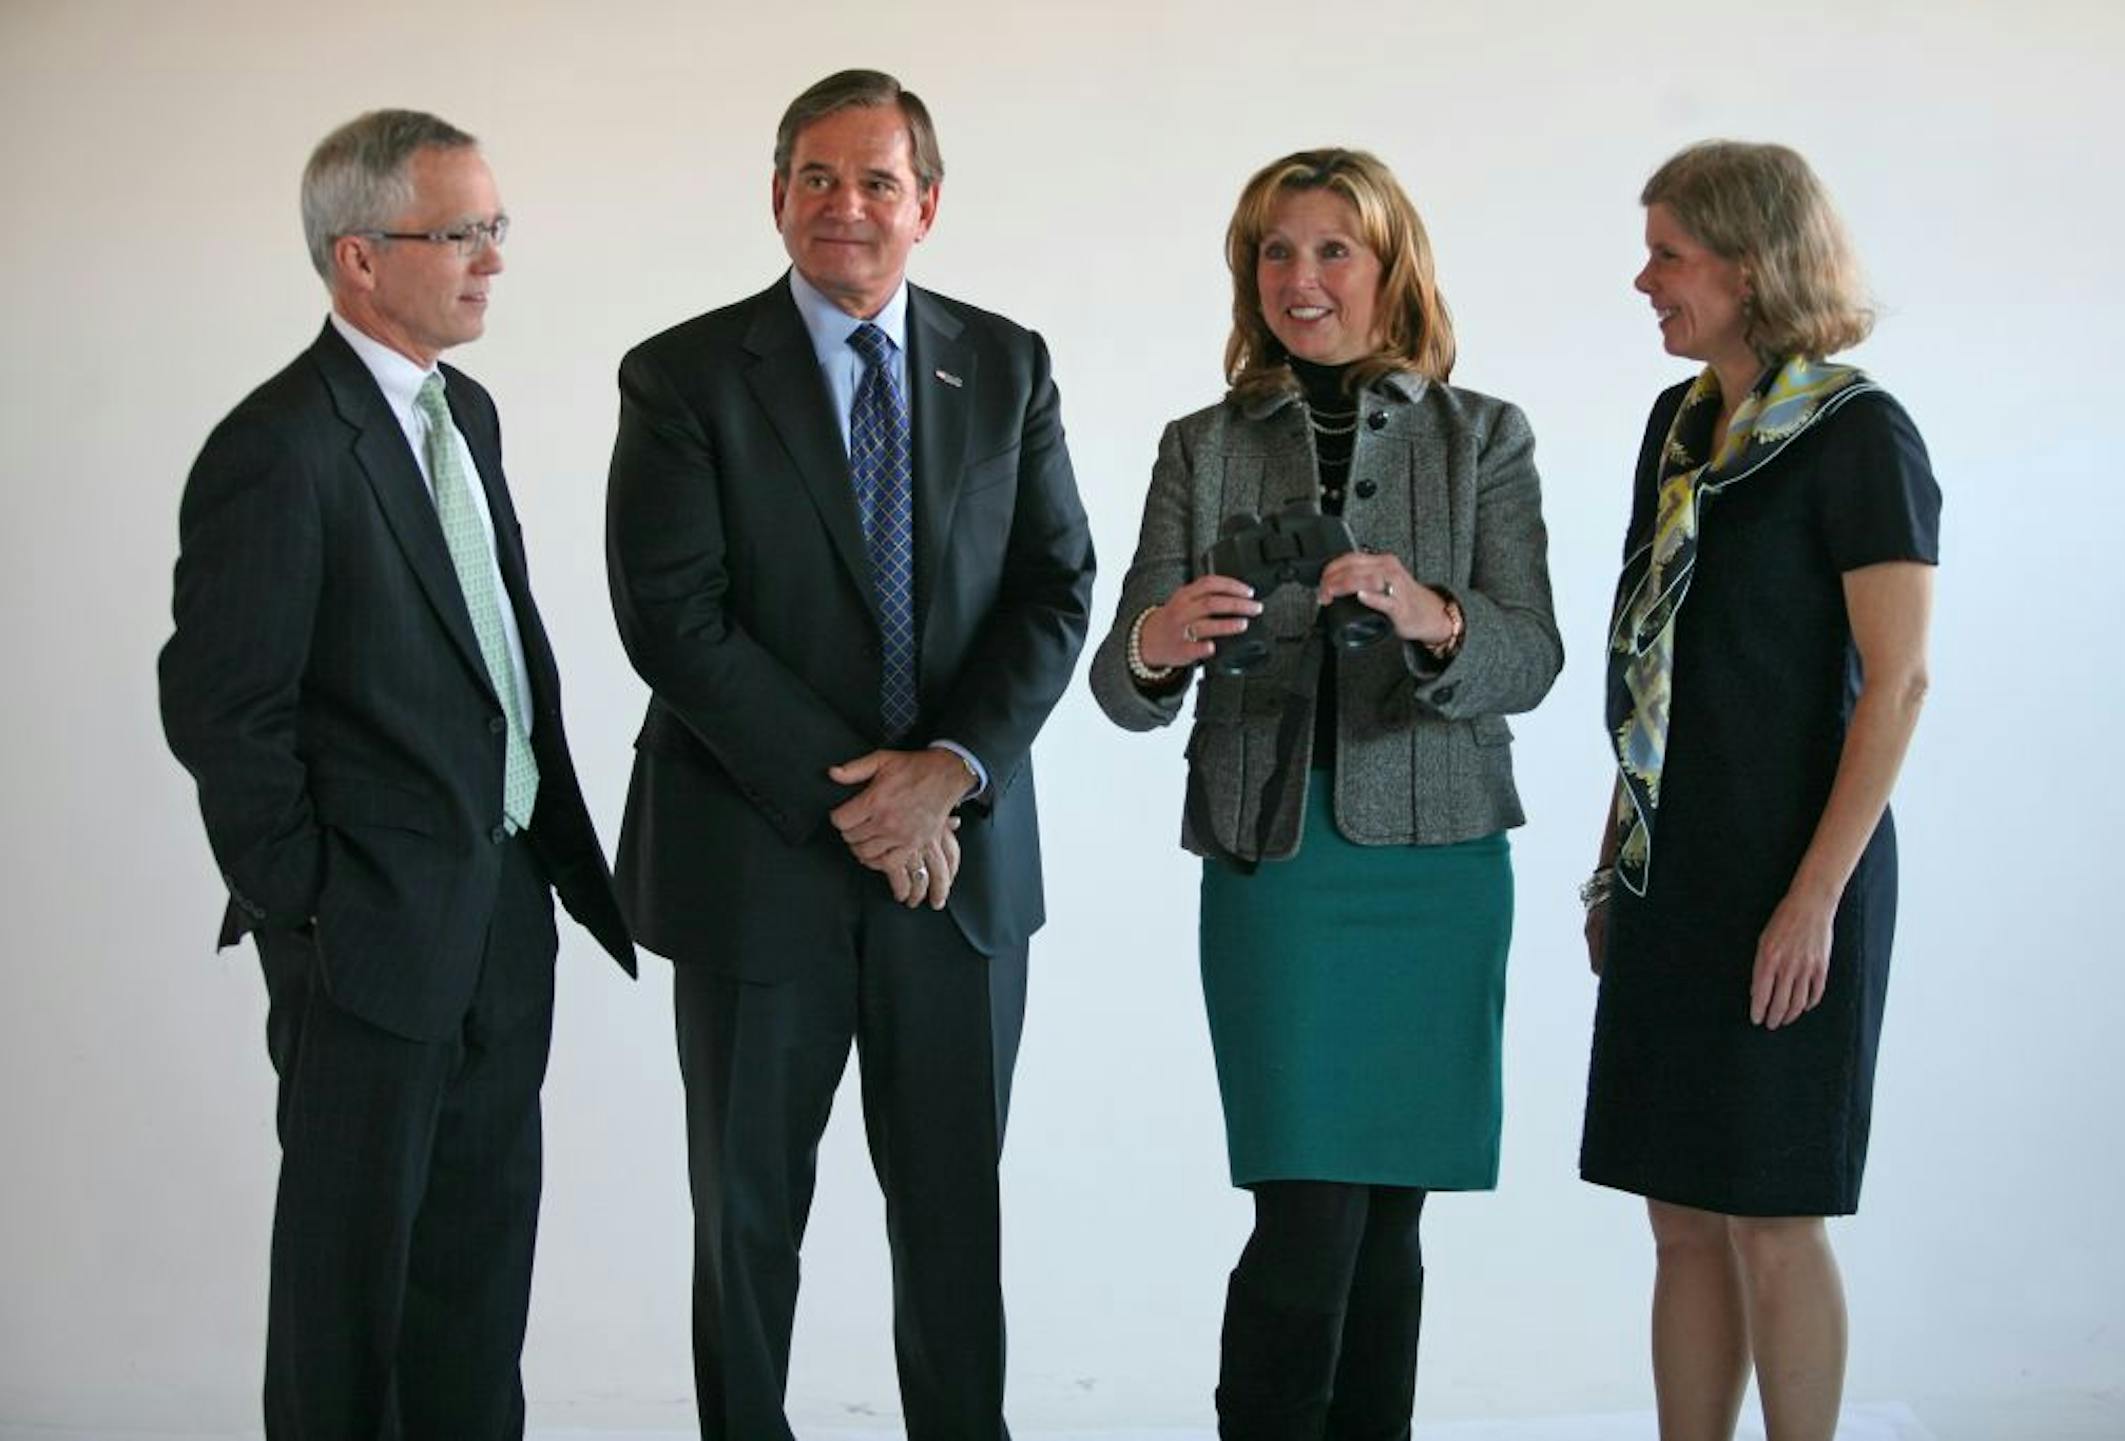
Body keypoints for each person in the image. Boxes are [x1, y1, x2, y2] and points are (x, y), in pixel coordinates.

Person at [605, 69, 1094, 1440]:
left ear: (926, 204)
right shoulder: (682, 373)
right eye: (816, 177)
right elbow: (674, 619)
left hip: (960, 878)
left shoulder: (1007, 364)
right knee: (746, 1222)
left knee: (952, 1220)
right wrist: (871, 799)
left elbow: (1056, 588)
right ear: (777, 197)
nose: (846, 206)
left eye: (878, 180)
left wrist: (950, 768)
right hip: (754, 869)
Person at [157, 110, 636, 1438]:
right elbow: (221, 705)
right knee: (348, 1300)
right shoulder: (278, 447)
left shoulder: (459, 414)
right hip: (363, 938)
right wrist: (308, 904)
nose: (492, 259)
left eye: (497, 227)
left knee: (477, 1287)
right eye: (461, 232)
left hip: (498, 914)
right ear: (359, 258)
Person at [1091, 148, 1561, 1438]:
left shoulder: (1487, 439)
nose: (1301, 278)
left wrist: (1432, 613)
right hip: (1276, 868)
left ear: (1389, 265)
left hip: (1438, 866)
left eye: (1331, 249)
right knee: (1305, 1222)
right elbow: (1120, 685)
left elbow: (1533, 657)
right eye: (1275, 251)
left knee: (1391, 1228)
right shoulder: (1201, 445)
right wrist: (1155, 642)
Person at [1579, 140, 1940, 1441]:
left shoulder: (1860, 436)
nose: (1645, 279)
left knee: (1774, 1219)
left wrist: (1812, 902)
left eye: (1668, 253)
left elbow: (1896, 689)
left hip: (1799, 877)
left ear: (1749, 264)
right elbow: (1653, 663)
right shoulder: (1677, 430)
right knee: (1680, 1215)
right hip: (1676, 870)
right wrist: (1616, 850)